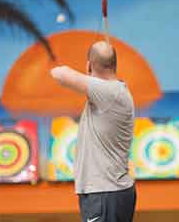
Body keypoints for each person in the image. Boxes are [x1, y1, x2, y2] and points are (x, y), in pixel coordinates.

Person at [50, 41, 136, 222]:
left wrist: (89, 77)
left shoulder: (108, 91)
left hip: (105, 193)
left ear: (89, 65)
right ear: (114, 65)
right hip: (108, 192)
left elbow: (58, 73)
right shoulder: (114, 91)